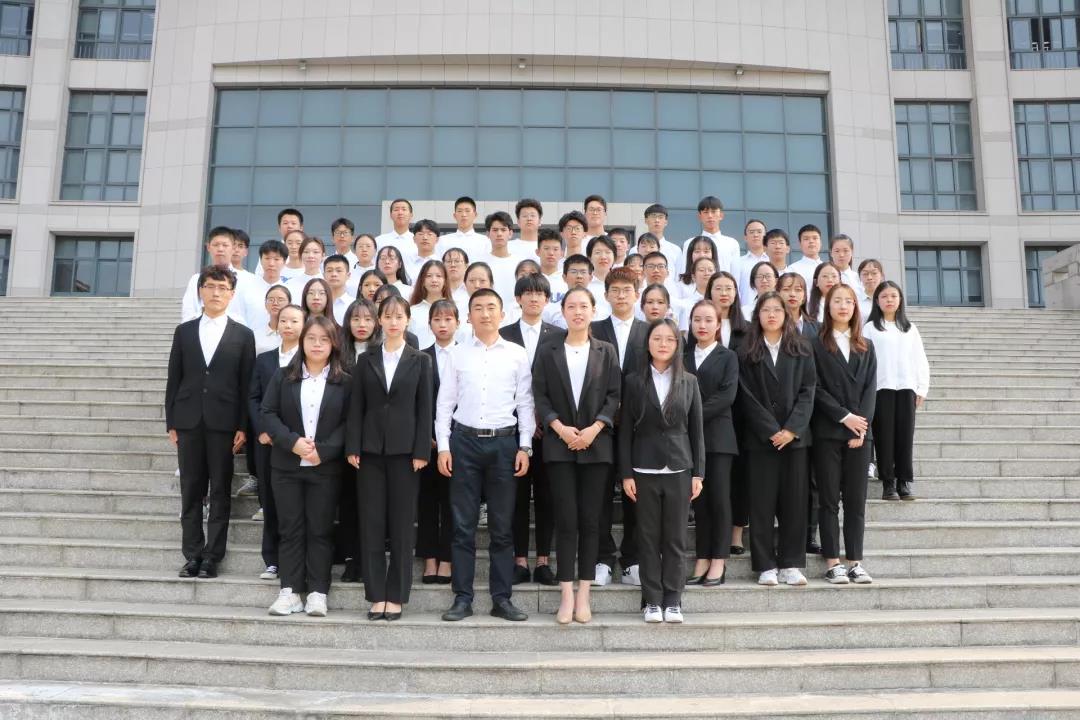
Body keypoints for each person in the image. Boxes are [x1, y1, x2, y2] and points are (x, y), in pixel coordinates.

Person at [435, 288, 535, 623]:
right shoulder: (457, 354)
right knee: (462, 526)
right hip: (463, 443)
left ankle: (501, 599)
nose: (485, 313)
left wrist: (525, 446)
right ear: (469, 316)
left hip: (504, 445)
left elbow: (525, 403)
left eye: (491, 307)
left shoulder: (517, 354)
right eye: (478, 308)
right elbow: (444, 404)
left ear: (502, 314)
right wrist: (444, 446)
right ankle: (462, 598)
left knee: (502, 527)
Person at [533, 287, 621, 623]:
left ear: (594, 310)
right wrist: (560, 428)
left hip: (596, 446)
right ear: (563, 312)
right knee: (566, 520)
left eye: (584, 306)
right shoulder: (548, 349)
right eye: (572, 306)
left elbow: (614, 395)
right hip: (559, 446)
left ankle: (584, 592)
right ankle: (566, 593)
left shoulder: (606, 350)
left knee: (590, 521)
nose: (578, 312)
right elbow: (540, 395)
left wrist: (595, 429)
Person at [347, 296, 434, 621]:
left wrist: (422, 450)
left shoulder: (420, 360)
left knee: (401, 525)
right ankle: (376, 594)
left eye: (399, 316)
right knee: (371, 523)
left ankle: (395, 595)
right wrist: (353, 446)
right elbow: (356, 406)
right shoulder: (366, 359)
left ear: (408, 320)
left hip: (406, 454)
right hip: (369, 452)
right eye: (388, 316)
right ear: (379, 321)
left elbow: (425, 408)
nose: (393, 322)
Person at [166, 266, 256, 579]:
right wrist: (171, 422)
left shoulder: (243, 335)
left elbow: (246, 384)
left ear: (232, 294)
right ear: (200, 291)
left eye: (222, 288)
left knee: (219, 491)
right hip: (188, 420)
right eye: (210, 286)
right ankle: (192, 555)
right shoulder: (184, 331)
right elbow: (174, 378)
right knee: (191, 490)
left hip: (224, 423)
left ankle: (212, 557)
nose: (216, 293)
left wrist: (243, 425)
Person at [261, 315, 351, 617]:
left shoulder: (344, 381)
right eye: (311, 338)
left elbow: (349, 423)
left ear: (333, 344)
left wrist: (323, 451)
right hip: (286, 466)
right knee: (290, 529)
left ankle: (317, 592)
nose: (317, 344)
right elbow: (268, 413)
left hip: (324, 469)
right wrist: (292, 442)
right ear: (302, 341)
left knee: (320, 530)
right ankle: (289, 591)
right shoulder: (284, 376)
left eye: (324, 339)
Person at [619, 319, 705, 623]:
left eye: (669, 339)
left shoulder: (689, 381)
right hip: (643, 468)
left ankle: (673, 600)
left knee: (675, 539)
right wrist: (626, 473)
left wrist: (698, 473)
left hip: (679, 468)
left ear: (677, 345)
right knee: (647, 538)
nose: (663, 344)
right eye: (657, 338)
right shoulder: (633, 381)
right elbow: (624, 432)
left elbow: (697, 430)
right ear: (648, 343)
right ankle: (652, 601)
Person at [738, 292, 816, 587]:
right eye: (765, 310)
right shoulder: (746, 351)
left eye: (777, 310)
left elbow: (809, 390)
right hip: (761, 440)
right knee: (761, 503)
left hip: (795, 440)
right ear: (757, 315)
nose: (771, 315)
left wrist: (792, 429)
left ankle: (790, 564)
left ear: (786, 314)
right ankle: (765, 565)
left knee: (794, 503)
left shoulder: (802, 348)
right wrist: (771, 429)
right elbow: (745, 395)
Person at [499, 273, 563, 586]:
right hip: (513, 429)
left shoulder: (560, 335)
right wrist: (524, 417)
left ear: (547, 300)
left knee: (548, 496)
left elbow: (561, 382)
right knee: (518, 496)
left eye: (540, 294)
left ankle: (543, 561)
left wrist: (543, 416)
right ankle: (520, 560)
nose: (534, 298)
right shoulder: (504, 334)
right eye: (528, 293)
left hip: (551, 429)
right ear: (518, 298)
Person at [812, 284, 877, 585]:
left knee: (855, 501)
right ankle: (833, 562)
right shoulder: (815, 343)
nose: (843, 306)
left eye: (848, 301)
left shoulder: (866, 345)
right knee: (828, 499)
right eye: (837, 301)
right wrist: (844, 417)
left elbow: (871, 389)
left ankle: (855, 561)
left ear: (855, 307)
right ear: (828, 307)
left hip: (859, 434)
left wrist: (861, 426)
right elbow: (815, 388)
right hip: (828, 431)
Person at [592, 268, 648, 586]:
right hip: (600, 425)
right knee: (599, 493)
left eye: (627, 290)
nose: (621, 295)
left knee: (635, 493)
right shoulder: (593, 329)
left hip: (639, 428)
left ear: (636, 294)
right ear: (606, 295)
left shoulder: (649, 331)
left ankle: (632, 559)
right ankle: (602, 558)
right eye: (615, 290)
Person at [684, 300, 739, 586]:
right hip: (686, 439)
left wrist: (692, 415)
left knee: (718, 499)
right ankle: (702, 557)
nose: (702, 325)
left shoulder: (728, 357)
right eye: (697, 320)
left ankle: (719, 559)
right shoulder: (682, 356)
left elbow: (727, 396)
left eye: (708, 320)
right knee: (699, 501)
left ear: (718, 325)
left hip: (718, 438)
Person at [249, 303, 304, 582]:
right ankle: (272, 559)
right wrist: (262, 429)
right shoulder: (264, 360)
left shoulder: (311, 358)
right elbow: (253, 397)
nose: (288, 326)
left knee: (298, 503)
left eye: (294, 321)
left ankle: (297, 558)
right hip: (269, 442)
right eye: (284, 321)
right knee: (270, 500)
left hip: (299, 442)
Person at [863, 281, 930, 502]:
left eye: (893, 296)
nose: (889, 300)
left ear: (900, 300)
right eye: (884, 296)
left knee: (904, 437)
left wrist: (922, 387)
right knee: (884, 437)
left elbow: (920, 359)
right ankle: (888, 483)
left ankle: (904, 482)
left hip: (906, 388)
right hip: (880, 388)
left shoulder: (910, 328)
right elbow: (864, 361)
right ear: (877, 301)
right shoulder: (870, 328)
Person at [702, 271, 751, 555]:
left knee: (740, 475)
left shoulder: (748, 330)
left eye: (729, 288)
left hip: (741, 412)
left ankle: (736, 532)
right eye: (718, 288)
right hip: (709, 413)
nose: (723, 293)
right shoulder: (700, 325)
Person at [418, 299, 459, 585]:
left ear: (458, 322)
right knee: (427, 503)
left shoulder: (467, 355)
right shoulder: (420, 357)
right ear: (430, 323)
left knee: (453, 502)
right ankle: (429, 558)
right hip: (426, 445)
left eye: (448, 319)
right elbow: (415, 403)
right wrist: (427, 436)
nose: (443, 325)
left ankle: (447, 559)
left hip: (459, 442)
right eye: (437, 319)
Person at [180, 227, 248, 324]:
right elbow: (188, 311)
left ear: (233, 248)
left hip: (237, 331)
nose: (220, 249)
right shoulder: (196, 279)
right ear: (208, 247)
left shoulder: (246, 280)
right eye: (216, 245)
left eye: (225, 245)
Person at [676, 196, 740, 276]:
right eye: (706, 212)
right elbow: (685, 272)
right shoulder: (689, 243)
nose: (710, 216)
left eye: (713, 212)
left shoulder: (732, 243)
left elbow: (735, 275)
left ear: (721, 215)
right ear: (699, 216)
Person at [243, 240, 290, 332]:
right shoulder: (247, 287)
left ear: (284, 262)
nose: (271, 264)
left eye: (276, 259)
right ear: (261, 260)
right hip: (250, 338)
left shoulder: (289, 290)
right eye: (267, 258)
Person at [409, 259, 452, 350]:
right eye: (428, 276)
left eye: (438, 276)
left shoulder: (454, 308)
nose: (434, 280)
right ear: (422, 281)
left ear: (445, 281)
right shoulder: (412, 311)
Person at [482, 211, 522, 303]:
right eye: (495, 230)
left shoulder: (520, 263)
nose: (499, 234)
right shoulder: (480, 263)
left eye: (503, 230)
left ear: (510, 233)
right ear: (488, 234)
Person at [676, 237, 719, 303]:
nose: (702, 255)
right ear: (690, 255)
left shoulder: (720, 280)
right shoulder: (681, 285)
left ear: (713, 254)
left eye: (706, 251)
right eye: (697, 251)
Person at [641, 203, 683, 268]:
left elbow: (679, 273)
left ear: (666, 222)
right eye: (653, 216)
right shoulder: (636, 249)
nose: (657, 220)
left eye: (660, 217)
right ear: (646, 220)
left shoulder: (676, 250)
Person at [736, 219, 769, 300]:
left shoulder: (771, 261)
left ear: (766, 237)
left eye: (759, 232)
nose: (755, 235)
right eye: (751, 232)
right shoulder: (738, 262)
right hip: (745, 307)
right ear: (745, 238)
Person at [777, 271, 817, 338]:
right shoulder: (771, 326)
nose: (792, 294)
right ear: (777, 293)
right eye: (786, 289)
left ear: (804, 296)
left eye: (798, 290)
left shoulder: (817, 328)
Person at [255, 285, 291, 355]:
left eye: (280, 300)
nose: (275, 303)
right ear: (265, 304)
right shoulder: (255, 336)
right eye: (271, 300)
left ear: (289, 304)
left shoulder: (297, 334)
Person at [536, 228, 568, 299]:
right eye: (546, 248)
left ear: (562, 254)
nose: (551, 253)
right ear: (537, 252)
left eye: (555, 249)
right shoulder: (530, 278)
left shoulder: (568, 279)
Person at [323, 254, 355, 325]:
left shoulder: (354, 305)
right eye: (329, 271)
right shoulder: (319, 302)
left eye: (339, 271)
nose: (334, 274)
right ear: (324, 275)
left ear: (348, 275)